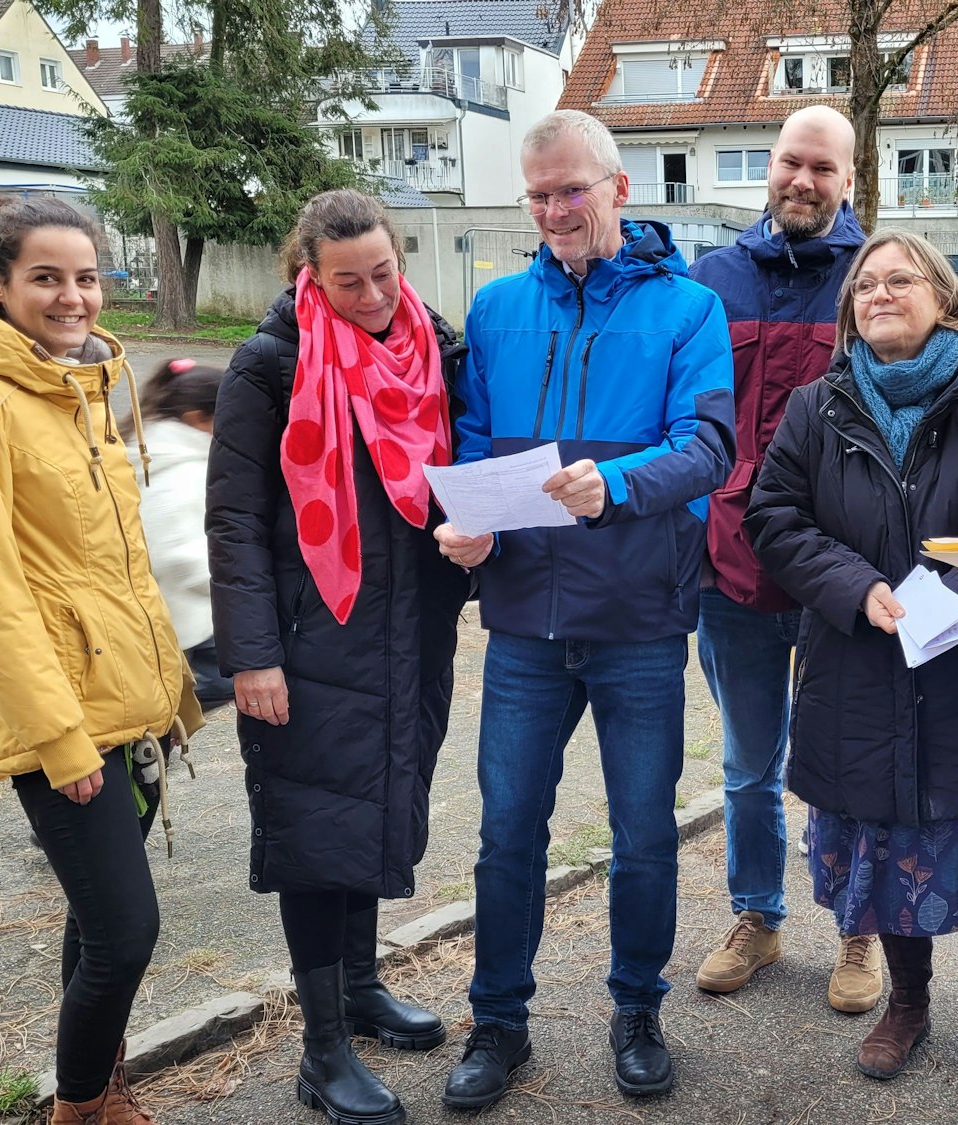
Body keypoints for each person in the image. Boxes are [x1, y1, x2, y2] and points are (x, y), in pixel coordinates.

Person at [433, 110, 733, 1111]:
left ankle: (636, 1008)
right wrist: (468, 526)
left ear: (619, 190)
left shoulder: (688, 311)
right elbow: (473, 443)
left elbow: (708, 449)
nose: (556, 208)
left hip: (638, 618)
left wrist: (623, 482)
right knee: (507, 830)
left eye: (573, 188)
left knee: (644, 833)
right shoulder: (495, 307)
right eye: (539, 193)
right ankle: (499, 1023)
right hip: (522, 619)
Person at [0, 195, 205, 1125]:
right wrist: (58, 737)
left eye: (85, 277)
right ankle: (76, 1110)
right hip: (60, 721)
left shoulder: (82, 389)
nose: (73, 297)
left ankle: (103, 1089)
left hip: (129, 701)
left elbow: (115, 566)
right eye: (46, 277)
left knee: (97, 922)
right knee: (127, 930)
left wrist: (169, 695)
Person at [747, 230, 958, 1102]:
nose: (878, 294)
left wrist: (950, 596)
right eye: (864, 285)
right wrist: (854, 587)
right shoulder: (817, 405)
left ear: (944, 295)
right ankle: (911, 1002)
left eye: (900, 279)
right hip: (858, 659)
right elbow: (773, 517)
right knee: (888, 840)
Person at [207, 188, 473, 1125]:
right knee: (315, 837)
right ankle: (322, 1051)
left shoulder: (433, 348)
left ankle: (359, 988)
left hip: (407, 633)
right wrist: (252, 656)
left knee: (372, 815)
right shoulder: (269, 365)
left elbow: (450, 478)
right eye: (347, 282)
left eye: (384, 274)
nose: (371, 298)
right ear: (306, 276)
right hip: (306, 639)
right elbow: (235, 519)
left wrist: (474, 539)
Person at [685, 105, 882, 1011]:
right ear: (770, 168)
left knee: (848, 754)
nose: (804, 180)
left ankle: (859, 929)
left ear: (850, 179)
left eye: (824, 169)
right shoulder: (712, 279)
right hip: (732, 563)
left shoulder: (875, 276)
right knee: (748, 763)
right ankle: (758, 918)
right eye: (790, 163)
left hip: (842, 568)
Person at [130, 358, 233, 708]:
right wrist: (232, 583)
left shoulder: (168, 452)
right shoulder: (176, 470)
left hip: (188, 615)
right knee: (217, 686)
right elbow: (172, 554)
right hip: (185, 624)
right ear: (196, 419)